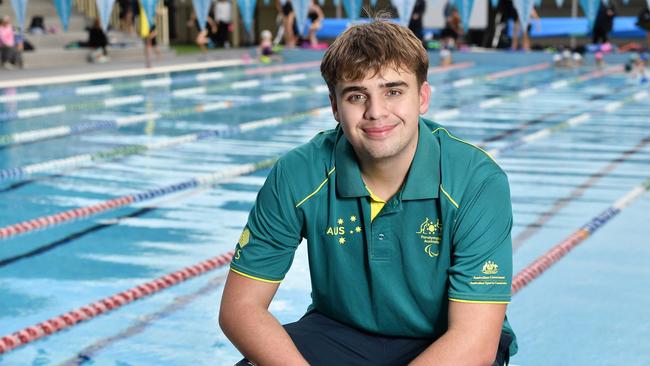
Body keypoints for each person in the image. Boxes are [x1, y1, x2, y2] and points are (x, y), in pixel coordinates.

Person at [220, 18, 517, 366]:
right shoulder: (298, 175)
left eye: (393, 91)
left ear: (422, 97)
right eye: (357, 95)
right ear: (334, 105)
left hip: (445, 339)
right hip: (341, 331)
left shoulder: (475, 181)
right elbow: (240, 309)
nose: (376, 112)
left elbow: (474, 343)